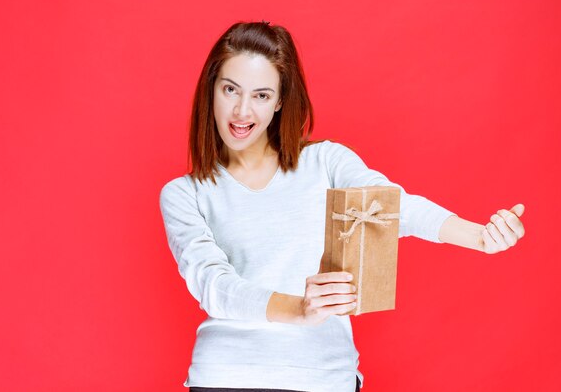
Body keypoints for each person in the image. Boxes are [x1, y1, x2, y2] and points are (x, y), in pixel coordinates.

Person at [159, 21, 526, 392]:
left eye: (262, 95)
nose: (242, 111)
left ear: (281, 100)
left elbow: (389, 206)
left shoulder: (326, 163)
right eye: (230, 90)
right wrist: (301, 309)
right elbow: (214, 286)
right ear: (212, 90)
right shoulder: (184, 193)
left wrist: (479, 236)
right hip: (227, 377)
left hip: (323, 376)